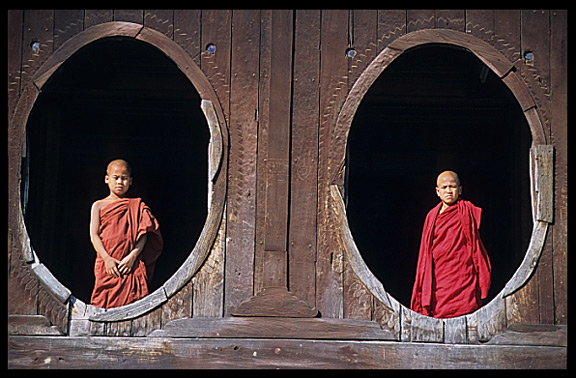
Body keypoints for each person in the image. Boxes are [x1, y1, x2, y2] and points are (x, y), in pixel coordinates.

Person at [410, 171, 491, 318]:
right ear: (437, 191)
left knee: (466, 309)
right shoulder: (431, 216)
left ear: (460, 189)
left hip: (462, 271)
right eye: (444, 187)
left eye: (452, 187)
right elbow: (425, 250)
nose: (448, 191)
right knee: (439, 310)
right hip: (439, 273)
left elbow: (474, 242)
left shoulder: (468, 210)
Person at [89, 159, 163, 309]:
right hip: (107, 264)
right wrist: (107, 258)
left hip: (130, 265)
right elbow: (94, 235)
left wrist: (132, 257)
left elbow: (144, 234)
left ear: (130, 181)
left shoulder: (137, 206)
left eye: (124, 178)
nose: (119, 182)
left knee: (134, 306)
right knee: (103, 304)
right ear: (107, 179)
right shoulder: (98, 205)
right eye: (116, 177)